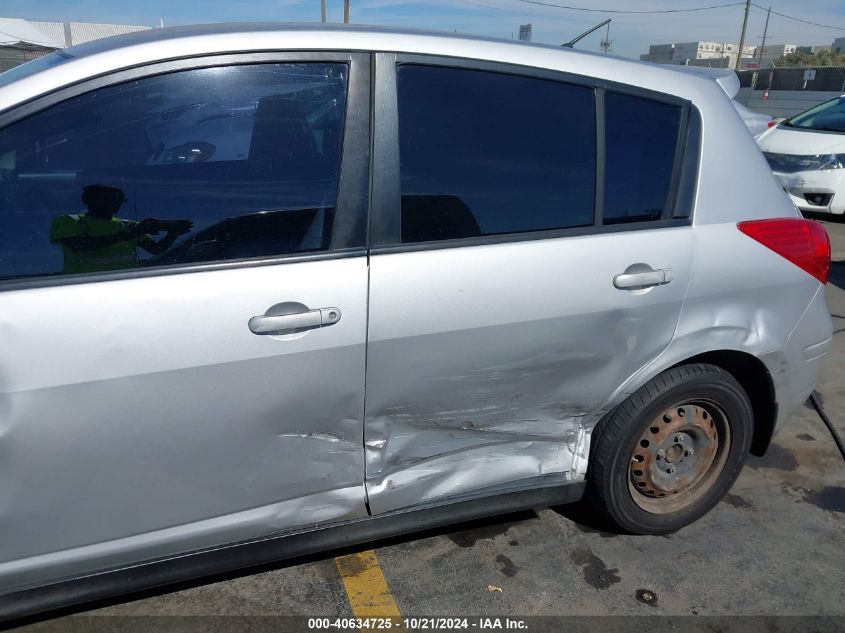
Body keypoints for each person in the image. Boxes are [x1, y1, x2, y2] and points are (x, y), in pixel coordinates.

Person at [50, 185, 193, 274]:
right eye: (105, 199)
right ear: (89, 201)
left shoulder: (128, 225)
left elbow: (156, 249)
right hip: (80, 287)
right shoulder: (70, 221)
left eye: (117, 200)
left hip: (126, 285)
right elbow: (80, 245)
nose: (113, 204)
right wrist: (132, 234)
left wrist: (173, 233)